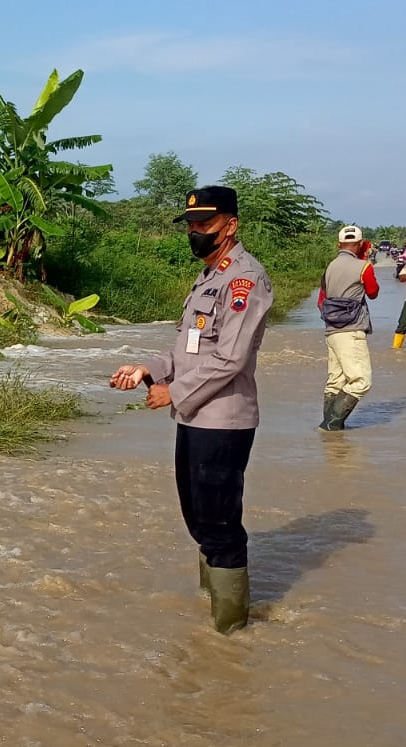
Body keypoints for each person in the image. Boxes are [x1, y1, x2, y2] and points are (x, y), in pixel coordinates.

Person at [109, 185, 274, 634]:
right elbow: (189, 349)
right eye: (192, 225)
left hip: (223, 419)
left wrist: (174, 393)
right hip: (195, 418)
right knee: (198, 516)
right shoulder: (208, 276)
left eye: (205, 224)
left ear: (230, 225)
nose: (196, 232)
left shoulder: (244, 280)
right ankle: (211, 613)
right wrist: (149, 369)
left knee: (219, 523)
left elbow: (231, 358)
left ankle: (230, 636)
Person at [316, 225, 381, 430]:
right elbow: (373, 292)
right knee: (361, 381)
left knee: (335, 380)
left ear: (339, 244)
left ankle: (328, 432)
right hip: (351, 330)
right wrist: (366, 261)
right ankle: (331, 425)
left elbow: (321, 300)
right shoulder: (364, 267)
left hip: (331, 330)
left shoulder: (330, 267)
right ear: (361, 244)